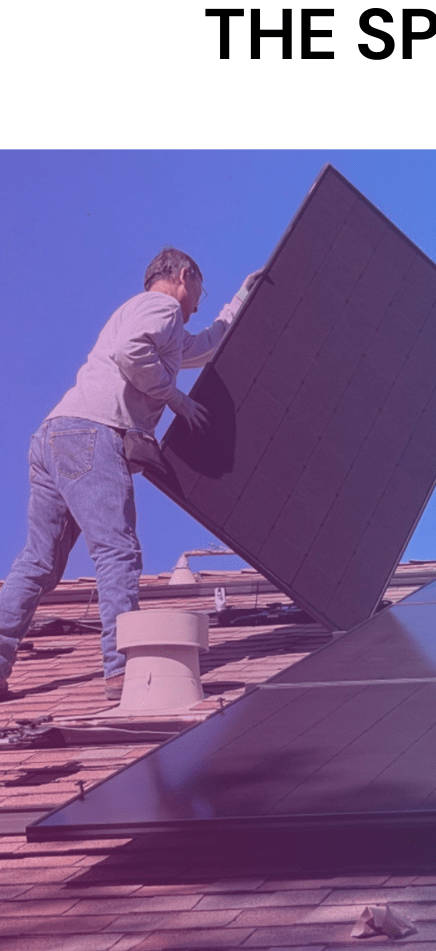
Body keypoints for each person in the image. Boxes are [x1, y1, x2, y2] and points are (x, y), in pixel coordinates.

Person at [0, 248, 262, 705]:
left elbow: (205, 346)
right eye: (200, 291)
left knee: (39, 562)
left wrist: (241, 297)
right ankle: (123, 671)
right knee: (117, 551)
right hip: (92, 433)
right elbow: (130, 352)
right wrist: (174, 398)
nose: (198, 303)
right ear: (184, 276)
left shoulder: (158, 323)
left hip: (54, 436)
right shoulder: (160, 307)